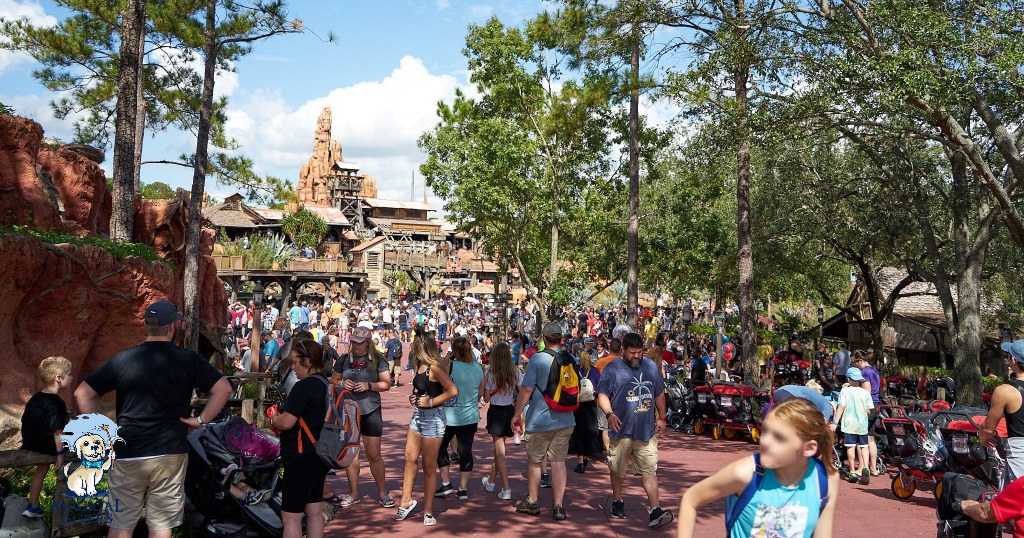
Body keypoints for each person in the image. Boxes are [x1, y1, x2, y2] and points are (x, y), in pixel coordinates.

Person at [74, 301, 231, 538]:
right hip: (169, 450)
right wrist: (200, 421)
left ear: (147, 326)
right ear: (171, 327)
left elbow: (82, 393)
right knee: (160, 525)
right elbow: (224, 389)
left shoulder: (122, 360)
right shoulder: (188, 359)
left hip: (128, 451)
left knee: (120, 523)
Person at [677, 398, 839, 538]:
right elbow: (691, 499)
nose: (765, 441)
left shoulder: (825, 480)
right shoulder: (746, 473)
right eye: (765, 431)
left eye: (779, 437)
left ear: (809, 448)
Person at [595, 332, 672, 528]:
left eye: (640, 353)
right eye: (632, 353)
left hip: (645, 431)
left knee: (649, 470)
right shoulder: (612, 368)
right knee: (617, 469)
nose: (637, 356)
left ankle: (655, 509)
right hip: (620, 430)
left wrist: (662, 417)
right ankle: (618, 501)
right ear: (623, 350)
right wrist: (610, 414)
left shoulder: (650, 366)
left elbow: (659, 393)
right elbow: (601, 395)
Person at [512, 322, 576, 521]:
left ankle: (532, 501)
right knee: (559, 462)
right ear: (561, 339)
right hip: (565, 418)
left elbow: (526, 389)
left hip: (540, 419)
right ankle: (558, 505)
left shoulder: (537, 359)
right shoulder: (570, 358)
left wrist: (517, 414)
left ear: (544, 339)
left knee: (535, 461)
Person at [266, 338, 328, 538]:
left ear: (307, 362)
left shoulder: (303, 387)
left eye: (295, 362)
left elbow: (286, 422)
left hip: (300, 456)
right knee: (314, 511)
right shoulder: (325, 384)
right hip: (321, 453)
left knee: (291, 516)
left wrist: (273, 420)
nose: (292, 368)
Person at [395, 332, 458, 526]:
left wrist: (431, 402)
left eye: (414, 345)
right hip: (418, 416)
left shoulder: (435, 368)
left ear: (422, 348)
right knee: (409, 458)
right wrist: (415, 397)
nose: (411, 348)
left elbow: (453, 391)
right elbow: (421, 389)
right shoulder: (419, 365)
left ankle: (428, 511)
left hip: (433, 418)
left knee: (429, 466)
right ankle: (406, 500)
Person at [329, 326, 393, 508]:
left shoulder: (378, 360)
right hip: (348, 411)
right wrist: (342, 382)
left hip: (370, 410)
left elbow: (386, 384)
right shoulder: (343, 359)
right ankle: (353, 493)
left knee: (374, 455)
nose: (355, 346)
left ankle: (383, 493)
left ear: (367, 343)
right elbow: (332, 381)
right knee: (352, 454)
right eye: (353, 342)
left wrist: (369, 386)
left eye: (359, 343)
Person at [20, 356, 73, 518]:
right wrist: (59, 455)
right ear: (58, 378)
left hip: (30, 442)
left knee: (41, 468)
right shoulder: (56, 403)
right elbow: (58, 432)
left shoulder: (36, 398)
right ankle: (67, 511)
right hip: (47, 445)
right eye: (69, 374)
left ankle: (33, 505)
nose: (71, 378)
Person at [436, 337, 485, 500]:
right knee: (466, 451)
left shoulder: (450, 365)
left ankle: (446, 482)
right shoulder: (478, 368)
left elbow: (437, 367)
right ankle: (463, 489)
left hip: (449, 416)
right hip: (470, 416)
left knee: (440, 447)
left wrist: (448, 356)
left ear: (454, 351)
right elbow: (480, 393)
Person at [481, 342, 521, 500]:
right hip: (509, 410)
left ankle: (506, 487)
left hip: (496, 412)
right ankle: (490, 481)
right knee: (499, 450)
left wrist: (485, 386)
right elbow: (522, 390)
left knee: (500, 452)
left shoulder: (491, 374)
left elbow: (485, 398)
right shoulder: (515, 372)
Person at [982, 339, 1024, 487]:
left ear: (1013, 360)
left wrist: (983, 437)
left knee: (1016, 502)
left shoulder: (1005, 391)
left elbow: (988, 428)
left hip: (1020, 451)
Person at [830, 367, 874, 484]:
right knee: (864, 446)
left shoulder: (845, 391)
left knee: (851, 447)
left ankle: (853, 471)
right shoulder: (865, 393)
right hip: (862, 425)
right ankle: (865, 467)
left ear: (848, 379)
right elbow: (869, 411)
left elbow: (841, 407)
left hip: (849, 424)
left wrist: (835, 422)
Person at [569, 351, 603, 474]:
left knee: (578, 433)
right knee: (589, 432)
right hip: (590, 405)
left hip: (577, 405)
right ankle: (586, 456)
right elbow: (599, 387)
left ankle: (580, 462)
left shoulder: (575, 370)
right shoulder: (594, 371)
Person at [854, 351, 882, 476]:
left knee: (861, 438)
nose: (854, 365)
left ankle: (861, 467)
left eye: (854, 362)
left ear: (860, 360)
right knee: (870, 438)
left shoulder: (864, 372)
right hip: (876, 404)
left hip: (868, 406)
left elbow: (867, 391)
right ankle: (873, 467)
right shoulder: (874, 370)